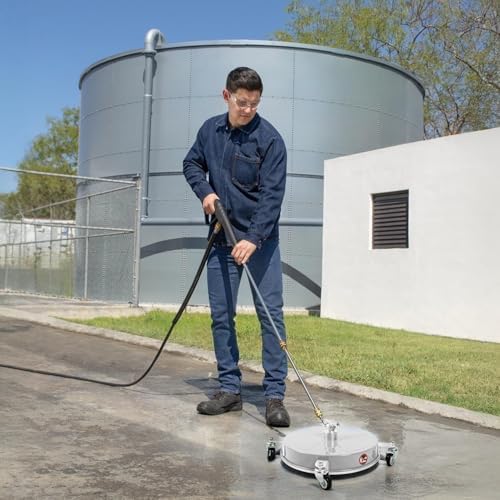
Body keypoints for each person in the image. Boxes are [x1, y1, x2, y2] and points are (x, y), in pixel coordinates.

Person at [183, 67, 290, 427]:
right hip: (221, 240)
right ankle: (230, 389)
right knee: (221, 315)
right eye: (242, 102)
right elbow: (190, 163)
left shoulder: (270, 140)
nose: (247, 110)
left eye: (254, 104)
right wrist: (205, 192)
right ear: (226, 95)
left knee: (270, 316)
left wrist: (253, 238)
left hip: (261, 242)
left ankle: (274, 396)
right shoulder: (209, 131)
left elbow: (272, 197)